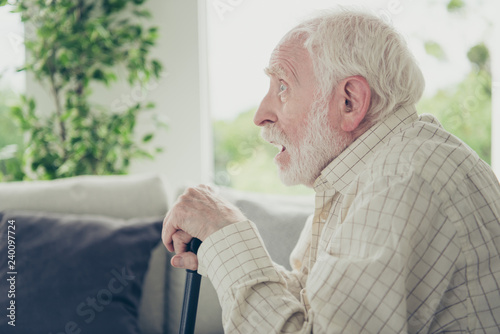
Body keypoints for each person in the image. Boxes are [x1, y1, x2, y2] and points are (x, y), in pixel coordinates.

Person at [162, 9, 500, 333]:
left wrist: (227, 231)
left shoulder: (402, 179)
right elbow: (315, 306)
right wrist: (223, 253)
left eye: (282, 87)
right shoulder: (371, 173)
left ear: (349, 101)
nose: (260, 114)